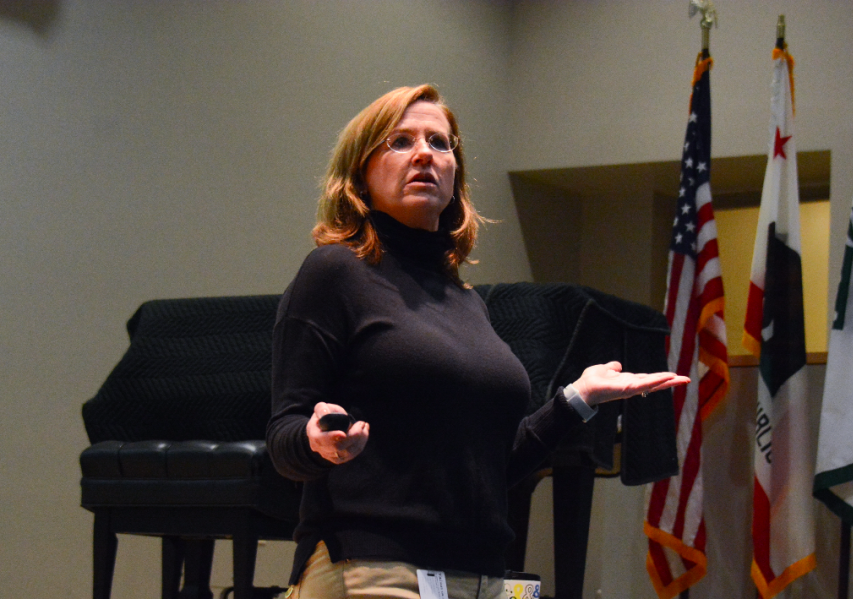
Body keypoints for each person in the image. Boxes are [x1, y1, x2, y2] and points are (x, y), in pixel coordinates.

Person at [266, 84, 689, 599]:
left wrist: (577, 400)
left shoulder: (466, 299)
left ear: (455, 175)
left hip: (483, 577)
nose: (424, 153)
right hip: (373, 570)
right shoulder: (334, 272)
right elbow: (284, 436)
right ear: (360, 172)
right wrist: (317, 443)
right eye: (399, 141)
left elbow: (495, 466)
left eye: (439, 143)